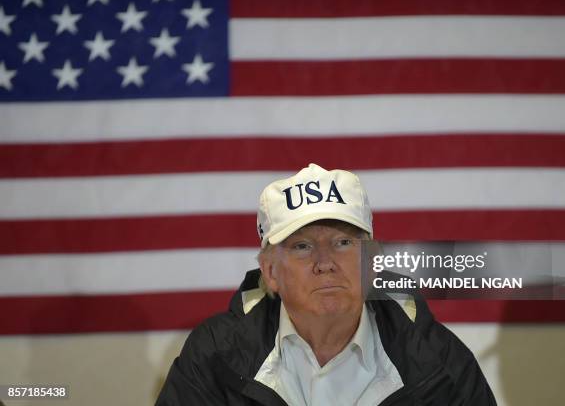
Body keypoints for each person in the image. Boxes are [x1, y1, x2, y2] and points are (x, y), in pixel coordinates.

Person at [155, 163, 497, 405]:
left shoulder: (438, 358)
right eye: (302, 246)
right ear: (270, 271)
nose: (325, 263)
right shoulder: (215, 354)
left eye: (343, 242)